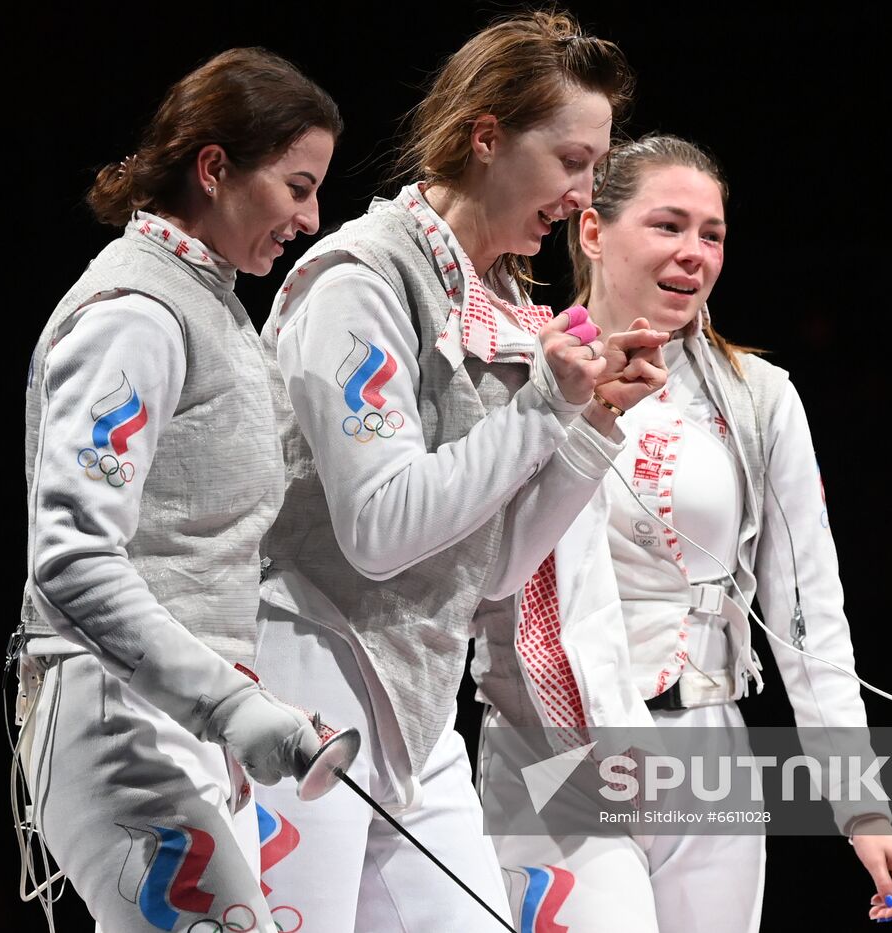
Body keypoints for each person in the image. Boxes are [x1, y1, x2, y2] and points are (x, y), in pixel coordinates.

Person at [249, 12, 665, 932]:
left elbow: (498, 567)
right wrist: (544, 407)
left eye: (596, 164)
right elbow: (380, 529)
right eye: (569, 160)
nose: (583, 192)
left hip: (417, 695)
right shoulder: (360, 279)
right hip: (310, 672)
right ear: (487, 137)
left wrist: (592, 421)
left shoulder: (504, 302)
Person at [479, 134, 892, 931]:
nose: (694, 253)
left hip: (709, 755)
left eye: (711, 234)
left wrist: (863, 806)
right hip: (558, 749)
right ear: (590, 231)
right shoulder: (522, 371)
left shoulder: (761, 398)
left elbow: (808, 611)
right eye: (668, 226)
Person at [11, 48, 341, 933]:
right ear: (213, 167)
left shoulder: (213, 305)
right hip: (119, 719)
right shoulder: (134, 313)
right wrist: (229, 701)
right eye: (298, 186)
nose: (311, 219)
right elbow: (72, 558)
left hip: (180, 721)